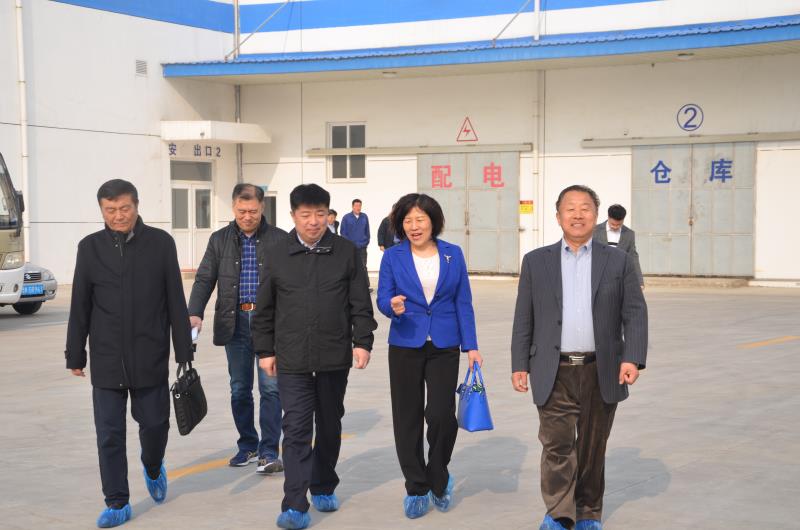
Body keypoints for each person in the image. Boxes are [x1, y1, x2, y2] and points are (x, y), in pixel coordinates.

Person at [511, 185, 648, 530]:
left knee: (592, 447)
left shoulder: (618, 261)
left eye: (585, 208)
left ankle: (588, 512)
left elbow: (634, 311)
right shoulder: (536, 261)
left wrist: (632, 357)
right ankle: (560, 513)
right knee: (556, 445)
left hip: (601, 369)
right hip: (553, 369)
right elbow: (524, 316)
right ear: (558, 217)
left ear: (596, 216)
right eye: (569, 208)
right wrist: (519, 364)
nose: (577, 215)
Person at [65, 179, 193, 528]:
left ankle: (152, 465)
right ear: (101, 210)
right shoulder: (89, 248)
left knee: (155, 425)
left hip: (150, 355)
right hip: (107, 358)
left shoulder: (160, 244)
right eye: (110, 210)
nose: (118, 216)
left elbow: (175, 299)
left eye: (124, 208)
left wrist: (183, 349)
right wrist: (75, 353)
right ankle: (117, 501)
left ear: (136, 205)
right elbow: (80, 304)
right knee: (109, 435)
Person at [252, 183, 376, 530]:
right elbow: (264, 308)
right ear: (293, 216)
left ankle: (323, 484)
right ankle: (294, 504)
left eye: (320, 214)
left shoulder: (345, 251)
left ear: (329, 215)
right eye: (306, 215)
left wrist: (362, 341)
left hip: (334, 354)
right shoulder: (277, 253)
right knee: (295, 428)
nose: (313, 222)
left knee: (330, 424)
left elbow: (360, 302)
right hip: (291, 357)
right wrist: (265, 350)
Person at [377, 193, 481, 520]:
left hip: (444, 344)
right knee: (406, 417)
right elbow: (382, 297)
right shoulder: (392, 256)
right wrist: (391, 307)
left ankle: (439, 473)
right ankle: (417, 486)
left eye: (420, 219)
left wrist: (471, 346)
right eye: (407, 220)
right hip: (405, 342)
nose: (414, 226)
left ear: (433, 221)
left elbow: (463, 301)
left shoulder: (453, 254)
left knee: (440, 414)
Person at [187, 183, 286, 473]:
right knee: (240, 388)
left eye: (253, 211)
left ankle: (269, 451)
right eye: (241, 211)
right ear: (233, 208)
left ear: (262, 208)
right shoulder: (219, 240)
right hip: (235, 322)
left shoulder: (280, 239)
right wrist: (194, 313)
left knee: (271, 389)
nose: (247, 216)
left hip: (269, 324)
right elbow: (204, 279)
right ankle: (248, 445)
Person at [593, 204, 644, 288]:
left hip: (619, 280)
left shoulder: (629, 234)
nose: (615, 227)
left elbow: (633, 257)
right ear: (608, 217)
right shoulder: (594, 230)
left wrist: (639, 281)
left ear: (623, 219)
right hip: (598, 278)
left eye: (619, 224)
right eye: (613, 224)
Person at [340, 198, 370, 269]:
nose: (358, 208)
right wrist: (349, 244)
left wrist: (365, 242)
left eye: (360, 206)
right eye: (356, 206)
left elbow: (367, 231)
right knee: (350, 267)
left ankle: (363, 277)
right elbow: (343, 233)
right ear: (352, 206)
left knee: (363, 267)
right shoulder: (346, 217)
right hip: (350, 248)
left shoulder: (364, 217)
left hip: (362, 247)